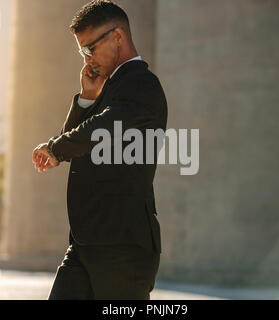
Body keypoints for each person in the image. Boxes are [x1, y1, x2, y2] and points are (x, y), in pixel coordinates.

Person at [31, 0, 167, 300]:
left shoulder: (142, 85)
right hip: (86, 244)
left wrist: (56, 148)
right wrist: (87, 99)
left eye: (90, 48)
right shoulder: (110, 89)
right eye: (82, 51)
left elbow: (102, 128)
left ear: (117, 37)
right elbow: (78, 139)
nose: (87, 59)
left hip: (123, 249)